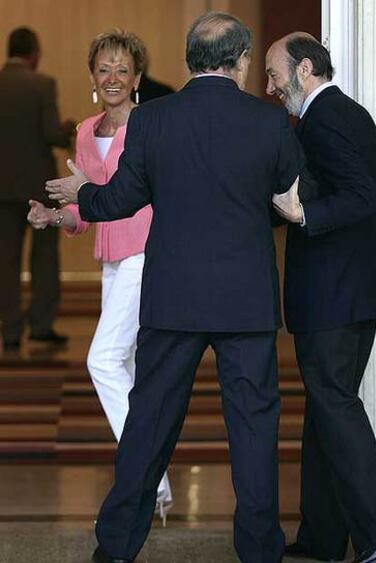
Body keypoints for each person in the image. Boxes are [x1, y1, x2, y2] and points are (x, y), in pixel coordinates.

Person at [45, 12, 306, 563]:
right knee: (254, 428)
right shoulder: (268, 122)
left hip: (173, 297)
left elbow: (121, 199)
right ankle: (261, 549)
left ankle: (116, 546)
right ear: (241, 61)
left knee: (149, 424)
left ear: (191, 61)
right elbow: (285, 203)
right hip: (245, 300)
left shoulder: (153, 120)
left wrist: (79, 198)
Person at [267, 33, 376, 563]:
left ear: (304, 69)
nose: (270, 87)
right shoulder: (348, 113)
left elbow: (361, 197)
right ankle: (322, 538)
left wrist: (302, 215)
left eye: (274, 75)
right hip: (349, 293)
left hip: (331, 295)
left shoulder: (325, 117)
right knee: (326, 408)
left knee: (333, 404)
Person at [27, 29, 172, 520]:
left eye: (122, 70)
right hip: (111, 260)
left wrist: (87, 189)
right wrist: (56, 217)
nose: (113, 77)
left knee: (102, 361)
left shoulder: (151, 124)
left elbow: (146, 193)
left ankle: (145, 474)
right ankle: (156, 481)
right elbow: (86, 211)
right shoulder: (86, 131)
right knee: (124, 368)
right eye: (104, 69)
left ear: (136, 79)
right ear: (93, 77)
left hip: (147, 254)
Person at [0, 27, 75, 350]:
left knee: (6, 260)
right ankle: (42, 325)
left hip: (2, 189)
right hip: (40, 188)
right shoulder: (43, 85)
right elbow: (50, 134)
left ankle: (11, 330)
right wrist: (67, 130)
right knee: (44, 258)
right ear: (34, 52)